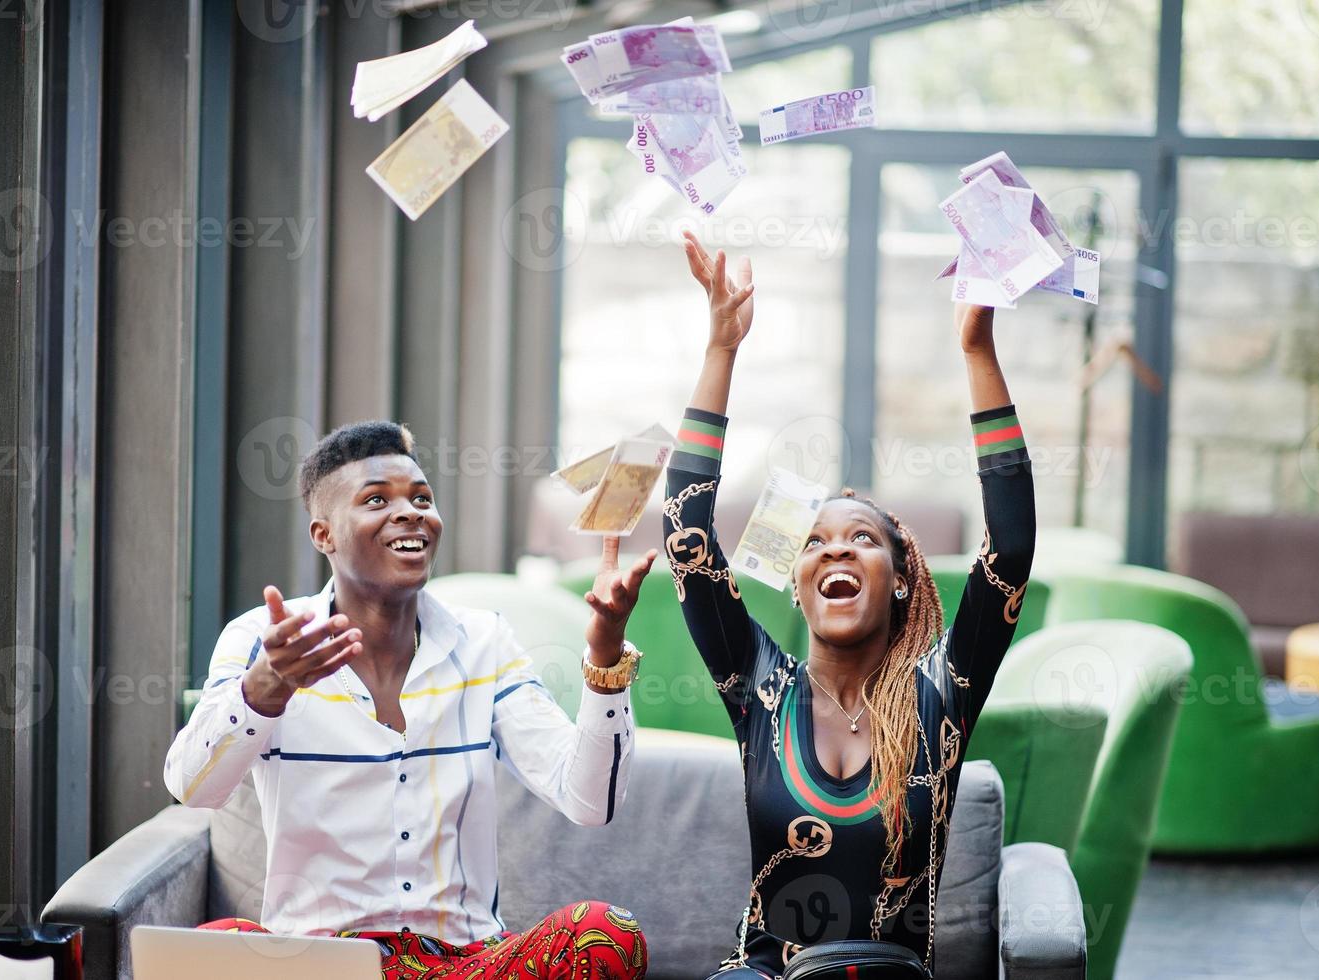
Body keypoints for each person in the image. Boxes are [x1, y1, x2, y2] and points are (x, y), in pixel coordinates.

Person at [664, 232, 1036, 978]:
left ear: (900, 577)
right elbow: (686, 533)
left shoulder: (942, 690)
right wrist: (721, 350)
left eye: (860, 538)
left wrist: (975, 350)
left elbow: (1011, 548)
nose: (834, 550)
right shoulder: (760, 687)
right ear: (797, 583)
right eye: (814, 542)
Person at [164, 421, 657, 980]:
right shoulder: (263, 639)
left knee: (605, 934)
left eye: (421, 498)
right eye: (377, 499)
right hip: (320, 965)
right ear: (323, 534)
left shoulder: (484, 642)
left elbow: (590, 802)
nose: (410, 512)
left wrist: (606, 655)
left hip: (464, 966)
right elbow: (192, 788)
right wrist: (264, 689)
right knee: (202, 954)